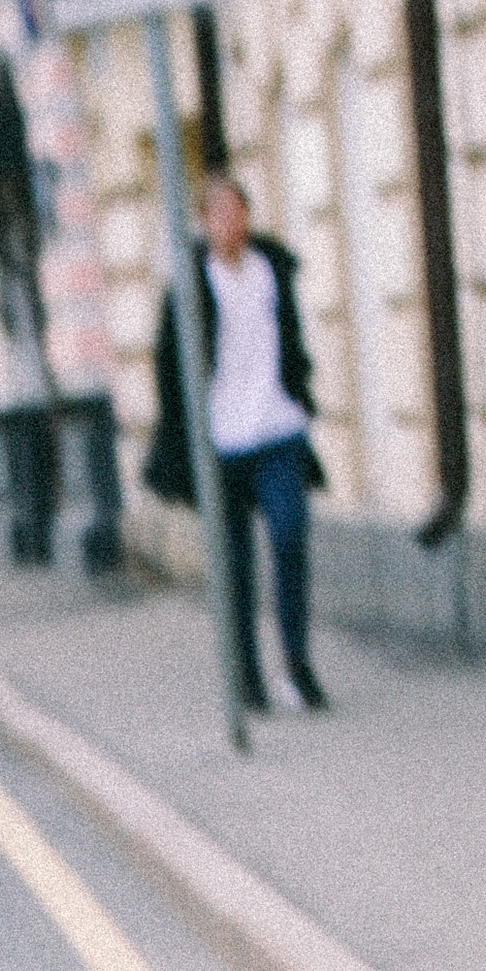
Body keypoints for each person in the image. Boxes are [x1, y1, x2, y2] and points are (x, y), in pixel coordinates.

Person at [146, 172, 329, 713]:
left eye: (238, 211)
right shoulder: (189, 285)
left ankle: (297, 665)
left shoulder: (273, 268)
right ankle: (248, 674)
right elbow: (168, 365)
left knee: (290, 537)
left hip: (277, 431)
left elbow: (291, 338)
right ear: (205, 223)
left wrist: (300, 391)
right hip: (221, 445)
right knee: (236, 567)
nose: (231, 223)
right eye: (219, 214)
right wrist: (183, 437)